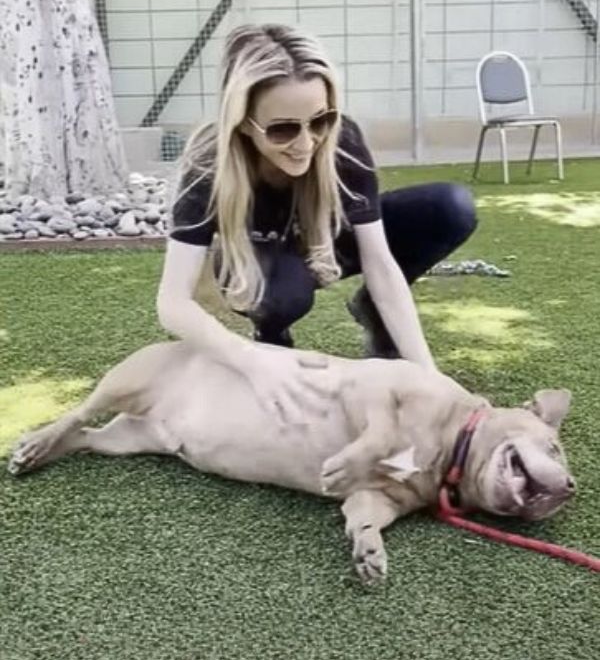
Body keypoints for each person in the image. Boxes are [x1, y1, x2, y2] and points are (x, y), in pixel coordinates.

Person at [157, 23, 477, 416]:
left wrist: (429, 376)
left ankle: (373, 315)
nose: (307, 143)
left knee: (450, 207)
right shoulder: (209, 166)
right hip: (256, 258)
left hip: (325, 239)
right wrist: (249, 360)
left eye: (320, 120)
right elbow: (172, 302)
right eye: (283, 129)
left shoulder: (343, 142)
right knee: (283, 295)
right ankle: (271, 335)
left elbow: (379, 262)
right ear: (242, 121)